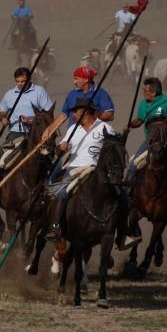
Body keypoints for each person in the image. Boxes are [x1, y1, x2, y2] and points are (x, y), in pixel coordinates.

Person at [0, 67, 55, 213]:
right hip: (15, 134)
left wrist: (31, 121)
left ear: (29, 80)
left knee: (49, 159)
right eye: (18, 81)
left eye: (23, 81)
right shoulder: (9, 94)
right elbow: (1, 111)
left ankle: (51, 193)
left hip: (37, 135)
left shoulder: (39, 91)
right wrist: (3, 118)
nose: (20, 84)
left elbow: (48, 115)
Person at [45, 99, 115, 242]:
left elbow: (114, 151)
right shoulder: (72, 130)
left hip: (97, 169)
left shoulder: (106, 128)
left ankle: (123, 232)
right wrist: (61, 148)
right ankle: (55, 226)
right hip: (75, 168)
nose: (74, 116)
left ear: (85, 112)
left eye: (76, 112)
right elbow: (58, 151)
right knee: (62, 192)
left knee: (119, 194)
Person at [125, 77, 167, 180]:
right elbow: (139, 120)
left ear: (153, 92)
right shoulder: (143, 104)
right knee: (134, 164)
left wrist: (165, 124)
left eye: (145, 90)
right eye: (143, 90)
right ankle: (127, 188)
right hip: (151, 140)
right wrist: (130, 124)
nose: (143, 92)